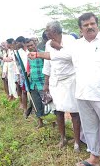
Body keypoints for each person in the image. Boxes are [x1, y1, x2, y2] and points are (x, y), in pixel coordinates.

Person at [29, 13, 100, 166]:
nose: (89, 27)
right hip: (82, 95)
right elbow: (58, 56)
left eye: (92, 23)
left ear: (97, 24)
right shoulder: (76, 45)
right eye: (85, 25)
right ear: (80, 29)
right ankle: (93, 158)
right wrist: (38, 54)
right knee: (90, 128)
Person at [29, 21, 81, 152]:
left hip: (70, 80)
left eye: (48, 31)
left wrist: (58, 47)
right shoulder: (48, 43)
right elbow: (48, 64)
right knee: (58, 111)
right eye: (47, 32)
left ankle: (76, 142)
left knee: (74, 112)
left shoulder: (70, 40)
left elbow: (70, 57)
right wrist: (46, 83)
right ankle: (62, 138)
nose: (47, 34)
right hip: (55, 81)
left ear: (56, 31)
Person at [25, 39, 45, 128]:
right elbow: (28, 68)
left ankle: (53, 122)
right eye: (28, 46)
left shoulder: (43, 54)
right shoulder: (28, 56)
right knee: (36, 104)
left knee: (47, 103)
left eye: (31, 45)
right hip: (33, 83)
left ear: (35, 44)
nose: (30, 47)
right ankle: (40, 122)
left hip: (43, 83)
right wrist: (28, 73)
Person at [14, 36, 29, 113]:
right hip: (24, 74)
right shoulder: (18, 52)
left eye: (17, 43)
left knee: (31, 91)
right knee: (24, 91)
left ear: (22, 42)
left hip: (31, 73)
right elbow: (19, 64)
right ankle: (25, 109)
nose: (16, 44)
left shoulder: (28, 50)